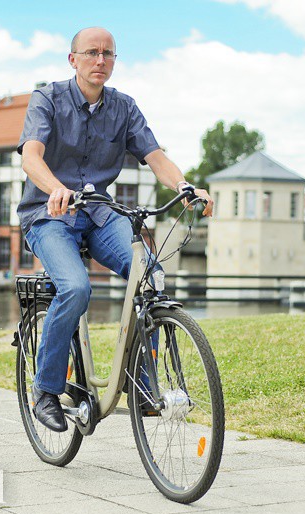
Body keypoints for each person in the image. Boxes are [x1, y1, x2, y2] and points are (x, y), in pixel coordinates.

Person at [17, 27, 213, 432]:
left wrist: (184, 186)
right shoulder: (47, 99)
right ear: (73, 59)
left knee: (151, 276)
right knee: (75, 287)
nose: (100, 60)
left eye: (108, 54)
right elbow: (31, 157)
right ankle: (45, 390)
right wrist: (56, 189)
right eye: (91, 52)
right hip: (48, 215)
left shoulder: (124, 107)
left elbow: (155, 155)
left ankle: (143, 387)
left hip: (101, 215)